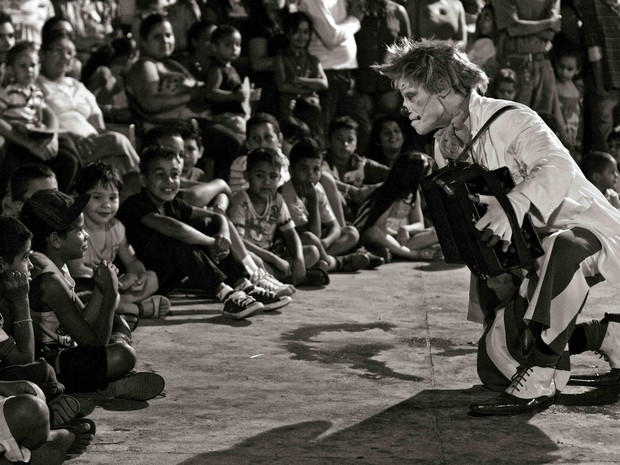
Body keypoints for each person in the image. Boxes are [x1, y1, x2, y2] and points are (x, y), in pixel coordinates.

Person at [375, 38, 620, 415]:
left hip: (589, 233)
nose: (404, 106)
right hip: (530, 253)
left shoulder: (512, 118)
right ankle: (608, 336)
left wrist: (514, 204)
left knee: (562, 248)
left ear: (442, 88)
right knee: (497, 367)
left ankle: (540, 377)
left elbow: (557, 166)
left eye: (411, 94)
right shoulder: (446, 144)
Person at [19, 189, 166, 399]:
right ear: (56, 240)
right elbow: (94, 344)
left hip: (70, 345)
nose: (86, 235)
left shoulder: (53, 261)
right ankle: (109, 382)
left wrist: (100, 290)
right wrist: (109, 293)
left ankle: (109, 379)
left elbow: (83, 320)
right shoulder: (48, 281)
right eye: (79, 231)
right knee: (123, 355)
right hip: (51, 364)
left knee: (120, 322)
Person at [116, 145, 289, 319]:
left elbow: (215, 216)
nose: (169, 181)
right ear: (144, 179)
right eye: (160, 175)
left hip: (167, 272)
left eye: (174, 175)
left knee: (207, 224)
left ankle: (244, 285)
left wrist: (223, 234)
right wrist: (213, 242)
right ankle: (227, 296)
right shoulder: (135, 205)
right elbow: (177, 230)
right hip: (141, 281)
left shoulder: (173, 203)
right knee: (179, 241)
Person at [139, 125, 296, 298]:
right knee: (181, 242)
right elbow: (186, 214)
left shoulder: (175, 190)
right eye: (170, 152)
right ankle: (230, 292)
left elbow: (215, 209)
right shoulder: (138, 192)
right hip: (150, 274)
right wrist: (213, 240)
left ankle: (248, 281)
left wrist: (221, 228)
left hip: (175, 266)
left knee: (213, 222)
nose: (177, 160)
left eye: (180, 155)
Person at [124, 13, 244, 181]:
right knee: (231, 143)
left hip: (195, 122)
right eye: (157, 36)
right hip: (170, 128)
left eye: (168, 35)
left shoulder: (171, 63)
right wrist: (191, 95)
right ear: (143, 41)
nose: (165, 40)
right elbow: (150, 103)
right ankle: (219, 191)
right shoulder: (146, 65)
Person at [67, 161, 170, 331]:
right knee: (92, 296)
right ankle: (136, 309)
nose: (106, 204)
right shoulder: (76, 230)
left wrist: (138, 274)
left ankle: (117, 307)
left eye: (113, 198)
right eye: (97, 197)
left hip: (111, 287)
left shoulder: (117, 227)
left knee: (151, 278)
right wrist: (117, 283)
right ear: (80, 196)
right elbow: (77, 271)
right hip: (84, 287)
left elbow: (131, 260)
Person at [36, 31, 140, 176]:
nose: (64, 56)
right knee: (117, 141)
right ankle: (145, 180)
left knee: (115, 162)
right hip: (65, 145)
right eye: (57, 51)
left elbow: (99, 127)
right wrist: (70, 136)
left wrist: (102, 139)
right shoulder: (36, 85)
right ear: (42, 54)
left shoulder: (77, 86)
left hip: (92, 146)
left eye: (69, 52)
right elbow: (37, 122)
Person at [228, 147, 328, 286]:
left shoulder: (277, 200)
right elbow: (238, 241)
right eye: (260, 175)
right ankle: (290, 279)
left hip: (272, 255)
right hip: (248, 254)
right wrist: (273, 259)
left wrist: (298, 260)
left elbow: (291, 234)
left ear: (280, 178)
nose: (267, 182)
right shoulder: (240, 201)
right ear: (247, 175)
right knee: (254, 262)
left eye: (273, 176)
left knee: (312, 252)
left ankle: (282, 277)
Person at [0, 41, 80, 197]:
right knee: (10, 164)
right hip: (17, 135)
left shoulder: (36, 92)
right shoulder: (7, 91)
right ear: (10, 69)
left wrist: (50, 136)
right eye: (22, 66)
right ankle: (10, 204)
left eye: (33, 65)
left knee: (68, 154)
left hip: (35, 132)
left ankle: (60, 198)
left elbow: (44, 114)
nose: (29, 70)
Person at [280, 137, 374, 270]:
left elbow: (334, 226)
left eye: (316, 169)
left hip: (317, 245)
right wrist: (313, 201)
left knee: (351, 233)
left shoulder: (317, 188)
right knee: (310, 240)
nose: (310, 175)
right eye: (304, 169)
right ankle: (336, 263)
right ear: (291, 170)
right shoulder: (287, 194)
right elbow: (311, 235)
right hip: (293, 245)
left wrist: (325, 242)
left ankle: (322, 261)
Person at [299, 0, 372, 153]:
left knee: (362, 130)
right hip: (326, 74)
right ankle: (325, 174)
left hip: (347, 74)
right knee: (324, 134)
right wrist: (355, 19)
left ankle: (352, 173)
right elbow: (331, 37)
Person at [353, 150, 442, 261]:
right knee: (373, 233)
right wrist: (396, 235)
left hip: (402, 241)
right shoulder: (389, 193)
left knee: (439, 231)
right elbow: (378, 227)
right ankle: (414, 254)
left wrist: (405, 229)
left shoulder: (413, 194)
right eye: (425, 176)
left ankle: (395, 252)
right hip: (384, 238)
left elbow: (419, 224)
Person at [491, 0, 562, 118]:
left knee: (542, 123)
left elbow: (551, 32)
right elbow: (513, 27)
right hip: (516, 64)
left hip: (543, 62)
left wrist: (524, 29)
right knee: (513, 120)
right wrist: (548, 23)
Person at [322, 115, 390, 221]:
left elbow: (395, 174)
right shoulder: (320, 161)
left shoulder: (362, 163)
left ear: (356, 143)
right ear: (328, 142)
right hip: (328, 217)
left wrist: (371, 189)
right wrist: (350, 190)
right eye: (339, 139)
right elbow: (322, 178)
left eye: (350, 140)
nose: (345, 144)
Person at [574, 0, 620, 153]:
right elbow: (593, 47)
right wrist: (600, 85)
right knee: (604, 138)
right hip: (606, 82)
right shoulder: (592, 5)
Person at [275, 11, 328, 143]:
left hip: (311, 115)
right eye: (296, 31)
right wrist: (308, 89)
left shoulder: (313, 60)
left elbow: (323, 84)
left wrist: (297, 80)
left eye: (305, 32)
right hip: (289, 115)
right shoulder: (281, 58)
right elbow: (282, 86)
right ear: (287, 33)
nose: (301, 36)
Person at [202, 24, 260, 128]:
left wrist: (248, 94)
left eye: (237, 44)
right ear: (215, 47)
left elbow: (236, 91)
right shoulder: (217, 70)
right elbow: (210, 92)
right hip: (224, 117)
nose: (234, 48)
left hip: (236, 116)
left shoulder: (232, 69)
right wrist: (233, 96)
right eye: (228, 45)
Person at [228, 113, 291, 194]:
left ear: (280, 139)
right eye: (255, 138)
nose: (262, 143)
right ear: (247, 143)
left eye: (267, 137)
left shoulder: (283, 159)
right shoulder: (244, 163)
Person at [553, 46, 584, 161]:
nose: (564, 72)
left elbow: (581, 116)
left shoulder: (578, 89)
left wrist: (580, 138)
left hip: (574, 137)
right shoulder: (554, 87)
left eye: (569, 69)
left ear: (577, 70)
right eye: (561, 67)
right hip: (558, 136)